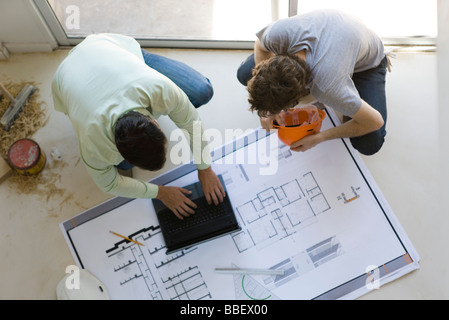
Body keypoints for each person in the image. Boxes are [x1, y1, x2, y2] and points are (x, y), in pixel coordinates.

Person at [52, 33, 225, 219]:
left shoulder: (159, 88)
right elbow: (109, 184)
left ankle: (138, 62)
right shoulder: (93, 145)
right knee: (124, 166)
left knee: (202, 91)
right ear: (154, 121)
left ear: (155, 122)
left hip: (107, 48)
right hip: (67, 74)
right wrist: (160, 192)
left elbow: (193, 124)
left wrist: (205, 168)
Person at [237, 9, 390, 155]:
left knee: (369, 144)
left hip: (367, 62)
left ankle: (350, 85)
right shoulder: (278, 35)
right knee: (244, 74)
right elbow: (260, 44)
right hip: (335, 28)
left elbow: (375, 122)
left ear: (298, 99)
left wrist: (318, 138)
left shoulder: (326, 87)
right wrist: (269, 109)